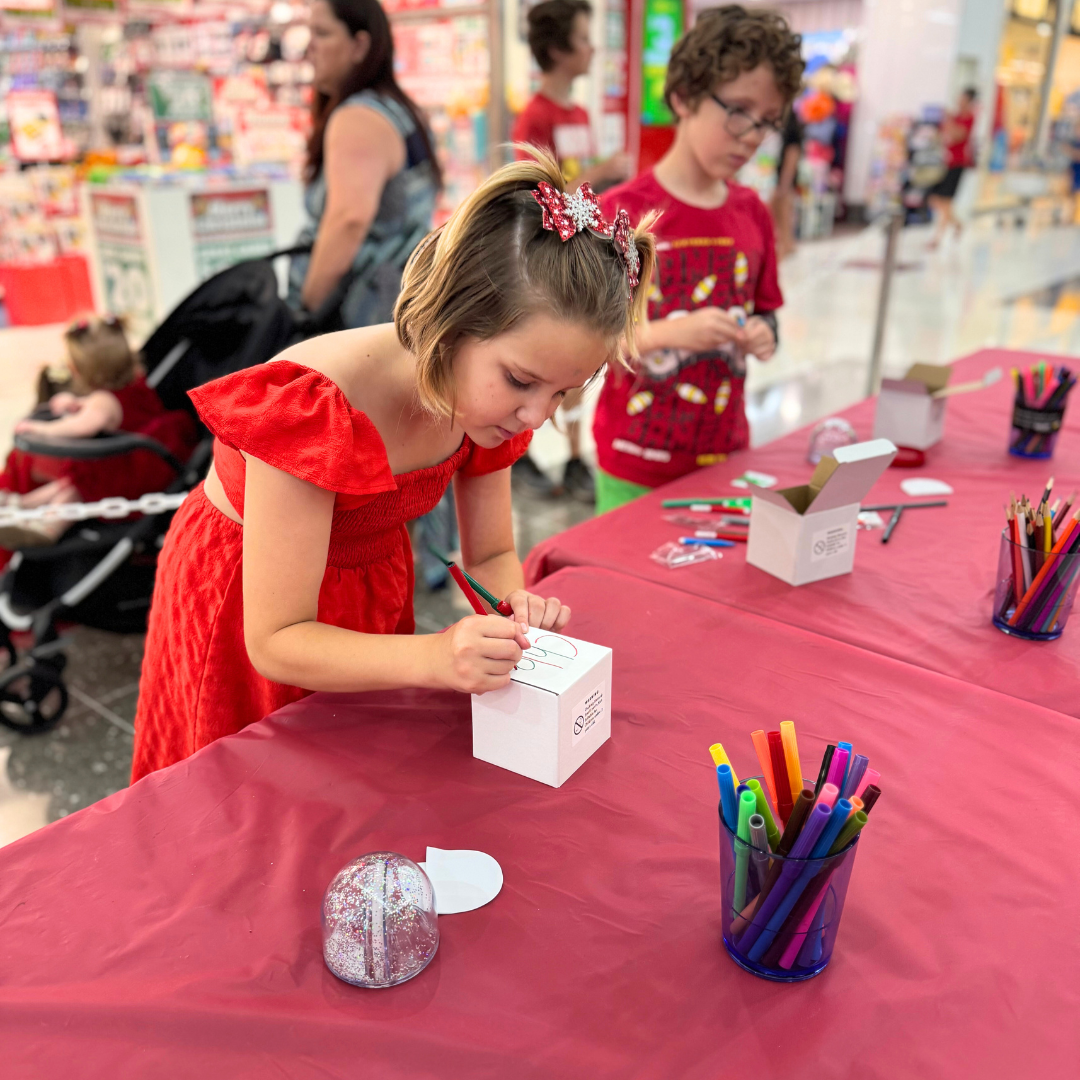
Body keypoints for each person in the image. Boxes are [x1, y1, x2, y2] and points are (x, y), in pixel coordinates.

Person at [130, 151, 655, 781]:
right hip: (249, 605)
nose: (536, 416)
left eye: (564, 392)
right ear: (451, 324)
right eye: (521, 380)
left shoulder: (486, 408)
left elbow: (491, 552)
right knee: (246, 792)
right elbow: (276, 640)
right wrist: (434, 658)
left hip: (366, 595)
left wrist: (511, 607)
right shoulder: (314, 406)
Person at [591, 5, 803, 514]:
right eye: (739, 111)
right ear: (684, 96)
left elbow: (765, 310)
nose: (751, 136)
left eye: (767, 122)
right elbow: (585, 341)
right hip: (635, 462)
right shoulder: (620, 212)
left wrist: (763, 333)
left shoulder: (752, 213)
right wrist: (670, 334)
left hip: (725, 457)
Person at [511, 0, 631, 502]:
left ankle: (577, 456)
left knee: (580, 364)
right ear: (559, 49)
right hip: (546, 262)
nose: (592, 49)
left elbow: (578, 187)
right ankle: (516, 455)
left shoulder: (579, 112)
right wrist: (602, 174)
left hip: (581, 254)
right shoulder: (534, 118)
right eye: (583, 39)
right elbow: (533, 193)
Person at [287, 0, 439, 329]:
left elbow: (348, 221)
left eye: (322, 33)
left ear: (359, 45)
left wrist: (304, 312)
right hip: (393, 306)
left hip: (357, 315)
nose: (310, 47)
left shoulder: (359, 118)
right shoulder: (397, 109)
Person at [0, 315, 197, 551]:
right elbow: (106, 411)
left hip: (123, 474)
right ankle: (22, 504)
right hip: (145, 461)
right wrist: (76, 403)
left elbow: (84, 426)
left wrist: (40, 429)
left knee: (76, 486)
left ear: (76, 370)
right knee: (72, 481)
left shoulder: (103, 402)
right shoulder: (134, 385)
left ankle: (50, 526)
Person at [927, 87, 977, 249]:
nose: (959, 101)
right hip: (945, 163)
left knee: (947, 202)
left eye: (963, 99)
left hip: (957, 164)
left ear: (969, 101)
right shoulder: (954, 117)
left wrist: (949, 121)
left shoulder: (969, 118)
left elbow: (958, 136)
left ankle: (937, 239)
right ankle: (957, 224)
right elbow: (941, 135)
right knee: (934, 199)